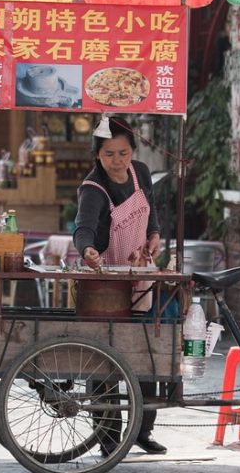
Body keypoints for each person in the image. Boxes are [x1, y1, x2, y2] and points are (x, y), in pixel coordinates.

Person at [73, 116, 165, 456]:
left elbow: (150, 210)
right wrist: (87, 251)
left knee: (145, 351)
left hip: (139, 273)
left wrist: (154, 234)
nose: (117, 161)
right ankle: (108, 436)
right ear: (98, 155)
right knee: (105, 360)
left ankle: (143, 430)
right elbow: (82, 228)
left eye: (123, 153)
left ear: (133, 151)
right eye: (109, 154)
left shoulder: (140, 172)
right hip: (105, 282)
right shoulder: (92, 188)